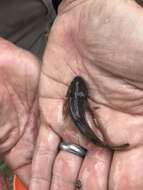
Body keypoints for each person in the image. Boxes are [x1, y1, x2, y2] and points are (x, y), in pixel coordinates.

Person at [1, 0, 143, 190]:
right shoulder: (79, 101)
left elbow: (76, 104)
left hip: (36, 22)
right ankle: (112, 145)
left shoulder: (76, 100)